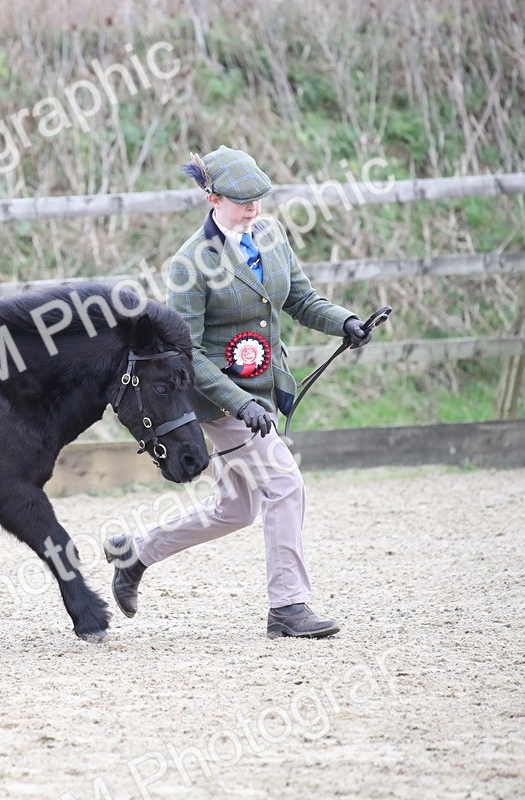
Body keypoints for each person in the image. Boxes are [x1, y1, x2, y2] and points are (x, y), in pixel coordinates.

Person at [104, 145, 373, 638]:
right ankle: (288, 607)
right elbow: (184, 351)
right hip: (219, 399)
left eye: (258, 199)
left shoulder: (270, 234)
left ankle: (134, 552)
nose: (252, 208)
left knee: (235, 509)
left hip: (263, 390)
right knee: (285, 485)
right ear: (212, 198)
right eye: (240, 200)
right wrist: (238, 402)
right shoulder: (190, 264)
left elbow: (300, 298)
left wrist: (345, 322)